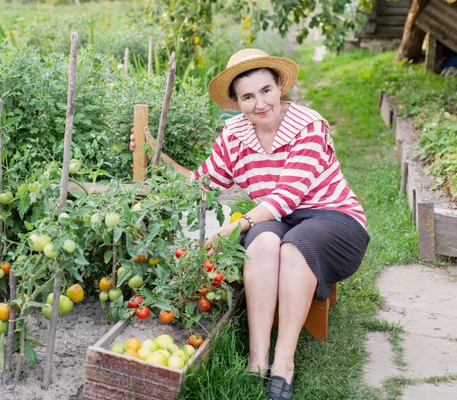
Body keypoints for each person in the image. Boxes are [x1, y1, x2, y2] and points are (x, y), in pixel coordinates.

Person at [130, 48, 369, 400]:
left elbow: (288, 196)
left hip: (333, 218)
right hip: (277, 220)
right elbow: (202, 185)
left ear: (279, 88)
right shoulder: (234, 137)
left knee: (293, 246)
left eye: (266, 90)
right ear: (236, 102)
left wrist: (236, 225)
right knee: (263, 244)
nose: (260, 103)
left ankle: (283, 363)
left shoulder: (308, 125)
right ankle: (258, 360)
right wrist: (156, 156)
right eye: (248, 96)